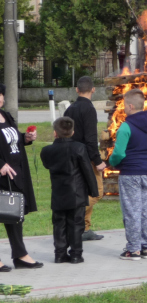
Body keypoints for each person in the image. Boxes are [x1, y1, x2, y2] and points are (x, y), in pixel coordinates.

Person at [107, 89, 147, 260]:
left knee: (132, 210)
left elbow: (119, 153)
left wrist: (112, 163)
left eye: (124, 106)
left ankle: (133, 249)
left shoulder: (126, 127)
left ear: (130, 106)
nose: (123, 109)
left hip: (130, 173)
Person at [40, 117, 99, 264]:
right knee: (76, 223)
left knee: (59, 223)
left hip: (58, 192)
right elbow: (87, 170)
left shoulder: (47, 151)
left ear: (55, 133)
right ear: (73, 132)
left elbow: (47, 165)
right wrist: (93, 190)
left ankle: (59, 254)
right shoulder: (79, 147)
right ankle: (76, 254)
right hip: (77, 192)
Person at [0, 83, 42, 269]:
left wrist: (25, 138)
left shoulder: (6, 116)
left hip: (15, 173)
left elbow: (11, 140)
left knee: (13, 214)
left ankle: (20, 255)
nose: (1, 98)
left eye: (1, 94)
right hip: (2, 173)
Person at [63, 76, 106, 241]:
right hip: (85, 158)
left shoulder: (70, 109)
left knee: (84, 191)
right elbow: (90, 139)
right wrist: (98, 161)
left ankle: (84, 228)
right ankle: (77, 222)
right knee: (97, 192)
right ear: (93, 90)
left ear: (77, 89)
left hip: (71, 156)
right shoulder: (88, 109)